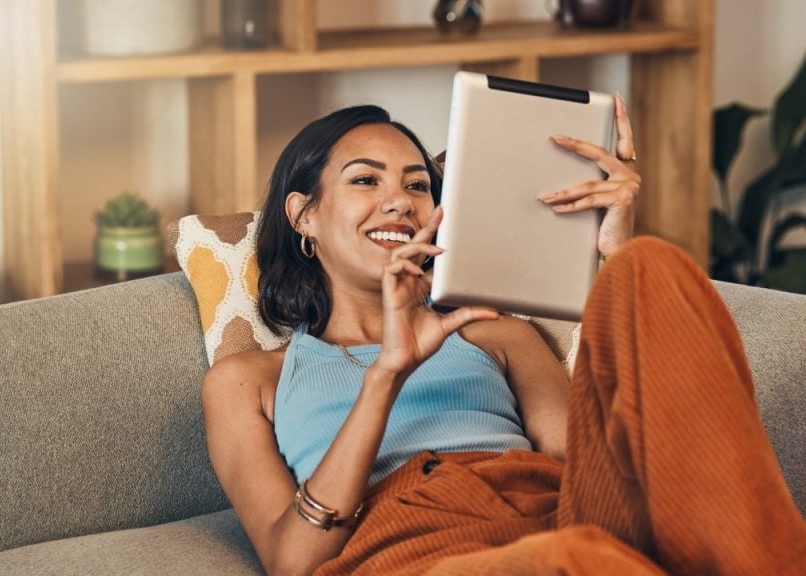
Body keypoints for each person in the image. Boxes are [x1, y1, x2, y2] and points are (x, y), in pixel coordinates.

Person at [201, 102, 806, 575]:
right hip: (414, 545)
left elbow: (590, 463)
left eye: (417, 186)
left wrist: (611, 256)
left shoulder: (495, 331)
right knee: (577, 564)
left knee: (652, 264)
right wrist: (388, 372)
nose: (399, 203)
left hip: (551, 509)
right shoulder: (249, 381)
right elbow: (293, 563)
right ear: (302, 215)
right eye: (365, 181)